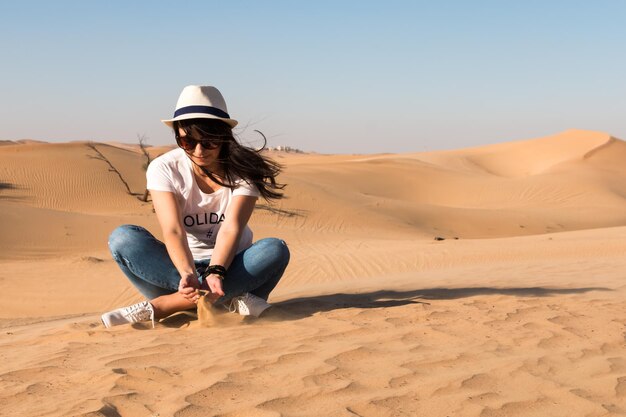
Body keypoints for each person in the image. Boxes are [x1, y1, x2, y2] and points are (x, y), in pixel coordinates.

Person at [101, 85, 290, 328]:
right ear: (178, 136)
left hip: (233, 266)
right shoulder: (164, 168)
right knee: (123, 238)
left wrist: (217, 271)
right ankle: (227, 300)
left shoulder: (244, 171)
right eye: (187, 141)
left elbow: (231, 228)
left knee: (275, 249)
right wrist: (188, 274)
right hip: (178, 271)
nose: (199, 151)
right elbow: (173, 230)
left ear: (224, 137)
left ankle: (167, 306)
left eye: (209, 141)